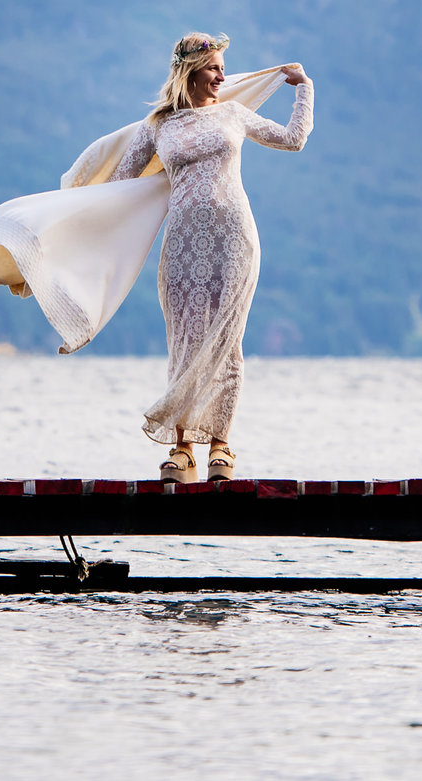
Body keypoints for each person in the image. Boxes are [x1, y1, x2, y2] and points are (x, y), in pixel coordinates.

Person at [109, 32, 312, 481]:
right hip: (182, 241)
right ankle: (183, 450)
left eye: (223, 67)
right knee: (185, 338)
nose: (222, 75)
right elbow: (123, 181)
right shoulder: (160, 125)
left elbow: (293, 140)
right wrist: (81, 218)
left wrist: (303, 89)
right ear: (191, 72)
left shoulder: (234, 114)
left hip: (234, 238)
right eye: (214, 67)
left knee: (227, 339)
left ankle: (221, 446)